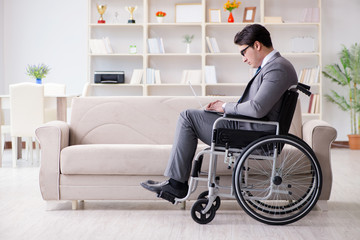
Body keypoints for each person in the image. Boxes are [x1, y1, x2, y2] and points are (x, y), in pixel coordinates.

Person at [141, 24, 298, 202]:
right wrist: (224, 110)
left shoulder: (277, 68)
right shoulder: (273, 66)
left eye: (243, 52)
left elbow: (256, 108)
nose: (243, 59)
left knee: (188, 117)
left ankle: (176, 185)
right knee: (195, 115)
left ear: (257, 45)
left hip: (254, 134)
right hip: (250, 127)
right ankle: (176, 183)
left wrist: (225, 107)